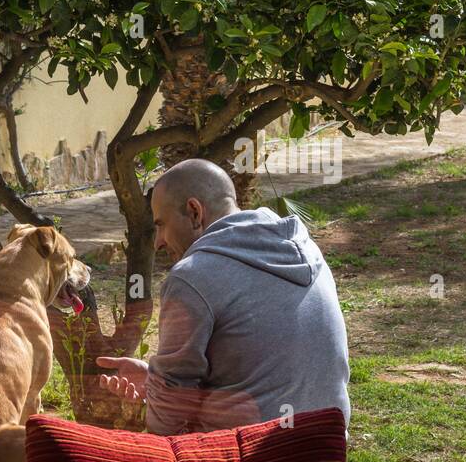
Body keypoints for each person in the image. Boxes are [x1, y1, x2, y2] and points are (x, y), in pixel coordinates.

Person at [97, 158, 351, 434]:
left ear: (194, 212)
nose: (158, 241)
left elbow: (168, 417)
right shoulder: (305, 248)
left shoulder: (193, 275)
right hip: (325, 450)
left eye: (161, 225)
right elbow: (266, 370)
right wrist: (155, 379)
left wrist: (162, 398)